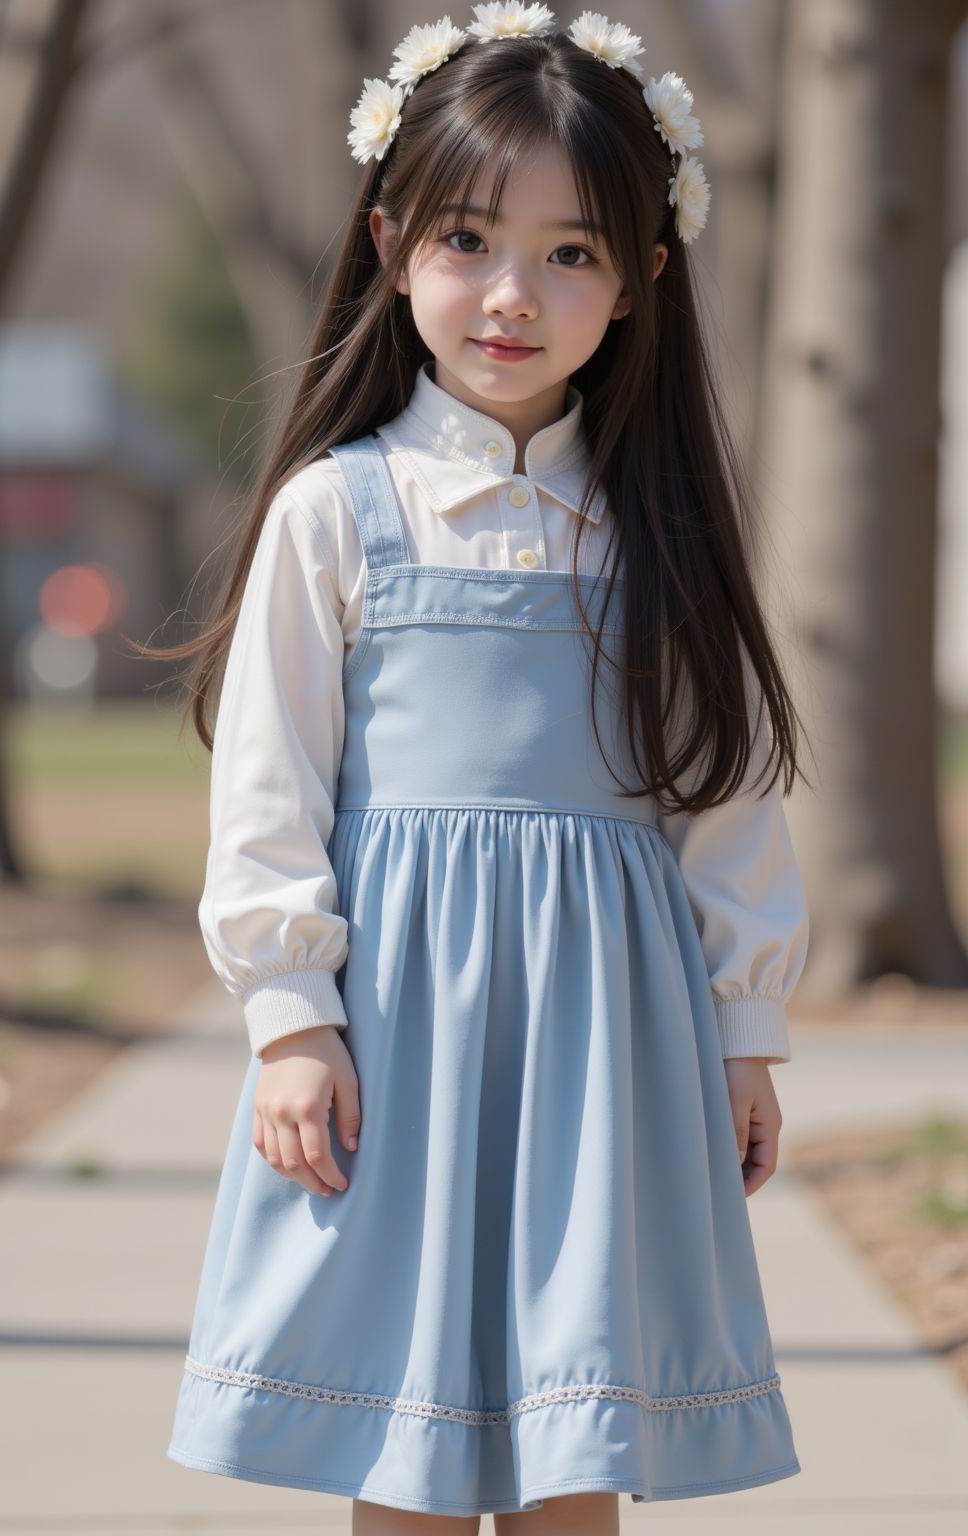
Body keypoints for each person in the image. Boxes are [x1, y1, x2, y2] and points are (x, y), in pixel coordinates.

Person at [160, 6, 812, 1530]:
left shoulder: (662, 534)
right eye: (468, 238)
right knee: (406, 1425)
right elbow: (268, 790)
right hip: (399, 1029)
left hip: (610, 1035)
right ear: (392, 247)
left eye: (572, 252)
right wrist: (290, 1018)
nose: (513, 294)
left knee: (578, 1420)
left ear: (643, 279)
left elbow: (724, 795)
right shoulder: (340, 512)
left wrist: (745, 1029)